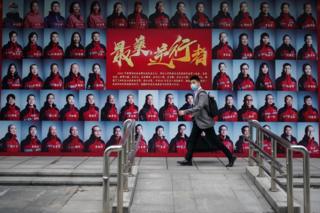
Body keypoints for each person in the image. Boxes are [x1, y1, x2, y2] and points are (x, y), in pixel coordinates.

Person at [177, 75, 236, 166]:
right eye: (191, 83)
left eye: (194, 83)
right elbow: (200, 109)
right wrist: (194, 115)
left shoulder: (202, 94)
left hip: (205, 123)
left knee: (216, 142)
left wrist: (185, 112)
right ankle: (188, 160)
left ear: (199, 83)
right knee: (192, 140)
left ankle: (230, 157)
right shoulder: (197, 93)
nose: (192, 85)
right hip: (198, 122)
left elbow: (199, 107)